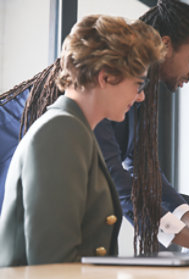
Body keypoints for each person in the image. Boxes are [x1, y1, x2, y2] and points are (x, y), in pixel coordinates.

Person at [0, 0, 189, 254]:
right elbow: (116, 180)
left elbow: (146, 172)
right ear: (106, 77)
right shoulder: (69, 121)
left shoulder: (124, 99)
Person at [0, 14, 166, 266]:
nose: (140, 97)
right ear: (106, 76)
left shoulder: (74, 130)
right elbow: (53, 265)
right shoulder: (60, 133)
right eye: (138, 84)